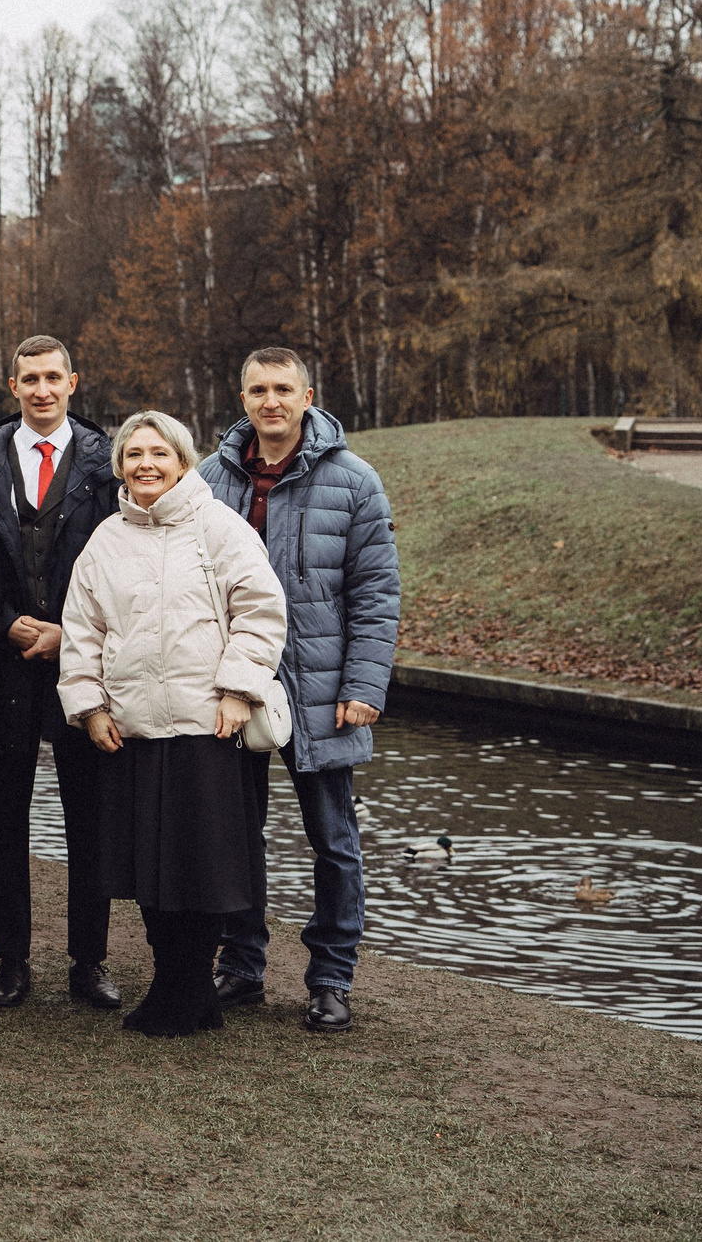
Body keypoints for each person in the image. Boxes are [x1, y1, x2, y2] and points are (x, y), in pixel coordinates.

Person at [59, 410, 287, 1038]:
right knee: (148, 869)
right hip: (133, 728)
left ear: (184, 462)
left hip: (205, 725)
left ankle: (189, 988)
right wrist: (90, 706)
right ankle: (173, 983)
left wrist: (239, 691)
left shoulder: (220, 527)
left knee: (200, 868)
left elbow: (261, 612)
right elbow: (82, 631)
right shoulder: (106, 540)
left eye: (159, 453)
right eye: (134, 455)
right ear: (120, 467)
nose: (146, 465)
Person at [201, 348, 400, 1033]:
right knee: (236, 833)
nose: (271, 401)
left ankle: (331, 978)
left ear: (307, 396)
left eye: (283, 388)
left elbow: (376, 594)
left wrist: (363, 685)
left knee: (333, 839)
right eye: (258, 389)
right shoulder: (210, 478)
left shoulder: (354, 480)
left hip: (322, 686)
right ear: (243, 397)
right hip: (233, 682)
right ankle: (242, 965)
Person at [0, 336, 123, 1009]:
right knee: (4, 815)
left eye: (54, 377)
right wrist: (3, 622)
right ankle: (11, 958)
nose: (43, 389)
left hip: (81, 660)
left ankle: (89, 961)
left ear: (73, 382)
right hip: (4, 662)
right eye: (31, 378)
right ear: (13, 385)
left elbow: (121, 566)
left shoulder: (107, 462)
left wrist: (69, 633)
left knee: (91, 817)